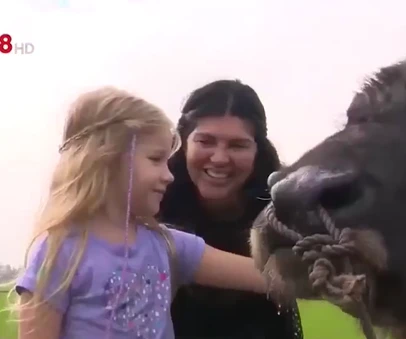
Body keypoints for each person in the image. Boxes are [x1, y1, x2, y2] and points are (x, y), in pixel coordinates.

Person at [11, 86, 270, 339]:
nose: (169, 175)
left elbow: (270, 277)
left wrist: (307, 265)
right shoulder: (58, 252)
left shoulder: (167, 245)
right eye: (156, 159)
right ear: (107, 160)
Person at [158, 79, 303, 339]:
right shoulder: (151, 206)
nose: (220, 158)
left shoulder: (283, 212)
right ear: (181, 142)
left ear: (258, 150)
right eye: (206, 141)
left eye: (237, 145)